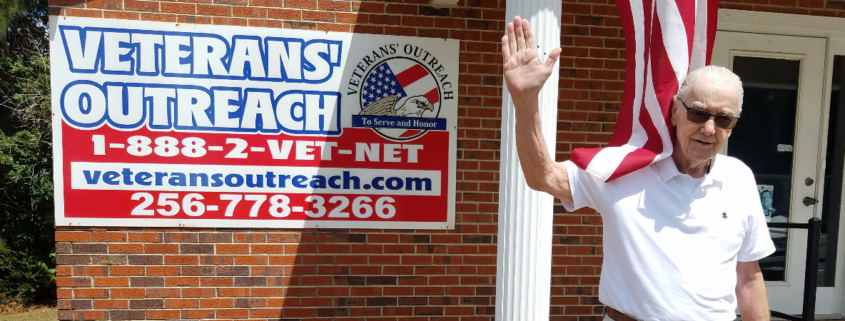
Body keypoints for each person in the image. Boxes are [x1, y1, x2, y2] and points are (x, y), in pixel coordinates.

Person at [501, 17, 775, 321]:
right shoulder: (623, 168)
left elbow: (748, 277)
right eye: (698, 113)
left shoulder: (739, 178)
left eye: (723, 119)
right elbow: (543, 177)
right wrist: (525, 102)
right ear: (674, 111)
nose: (709, 128)